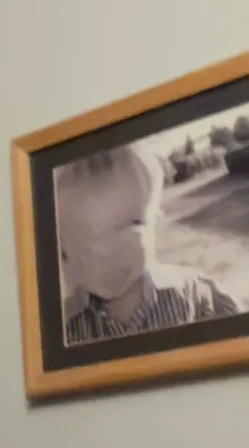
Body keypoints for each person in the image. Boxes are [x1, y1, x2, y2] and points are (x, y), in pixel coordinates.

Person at [54, 140, 238, 344]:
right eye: (85, 251)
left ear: (155, 227)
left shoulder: (195, 294)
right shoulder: (69, 333)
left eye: (122, 237)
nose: (103, 262)